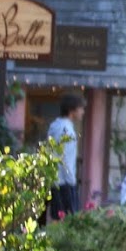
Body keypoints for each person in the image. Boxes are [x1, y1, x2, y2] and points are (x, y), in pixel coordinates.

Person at [47, 91, 85, 219]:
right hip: (64, 182)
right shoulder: (66, 131)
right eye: (80, 108)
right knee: (68, 220)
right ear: (72, 110)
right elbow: (65, 159)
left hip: (55, 179)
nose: (82, 112)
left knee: (58, 219)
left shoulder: (55, 126)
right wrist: (72, 182)